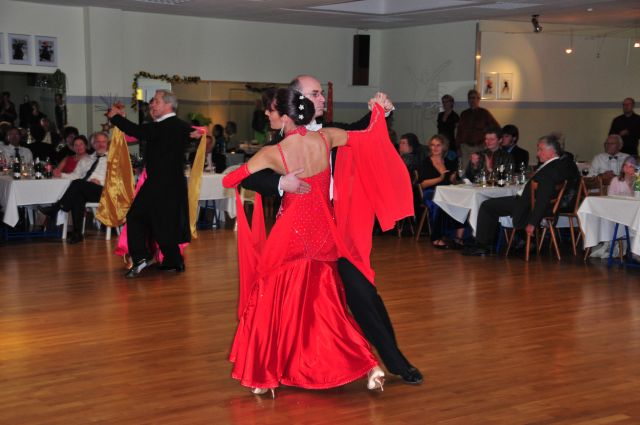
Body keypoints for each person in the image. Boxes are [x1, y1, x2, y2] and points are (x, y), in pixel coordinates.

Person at [223, 88, 408, 395]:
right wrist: (379, 111)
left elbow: (231, 179)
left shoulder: (274, 152)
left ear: (285, 117)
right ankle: (369, 365)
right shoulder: (326, 138)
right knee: (328, 308)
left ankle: (263, 375)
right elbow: (366, 136)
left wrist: (283, 179)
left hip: (291, 235)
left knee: (271, 300)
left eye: (271, 112)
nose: (268, 115)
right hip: (324, 235)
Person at [107, 90, 193, 278]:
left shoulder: (164, 126)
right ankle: (174, 261)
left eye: (156, 101)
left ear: (168, 104)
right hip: (174, 184)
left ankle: (140, 257)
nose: (151, 104)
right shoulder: (181, 126)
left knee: (135, 216)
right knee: (164, 222)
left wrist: (116, 118)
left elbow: (137, 131)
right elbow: (142, 131)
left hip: (159, 184)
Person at [463, 135, 578, 256]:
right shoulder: (559, 165)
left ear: (552, 151)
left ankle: (483, 245)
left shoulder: (549, 170)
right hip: (533, 203)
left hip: (527, 205)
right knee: (493, 203)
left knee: (487, 205)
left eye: (540, 149)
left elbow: (543, 199)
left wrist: (532, 223)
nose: (537, 153)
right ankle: (491, 244)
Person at [39, 132, 109, 244]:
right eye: (97, 142)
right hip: (85, 188)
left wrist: (101, 182)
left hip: (104, 191)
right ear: (93, 145)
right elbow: (75, 175)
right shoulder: (86, 159)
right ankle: (77, 233)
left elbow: (119, 178)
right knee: (77, 196)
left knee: (78, 185)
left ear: (107, 143)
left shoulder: (114, 158)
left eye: (103, 142)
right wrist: (60, 174)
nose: (100, 144)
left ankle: (56, 208)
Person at [418, 135, 464, 249]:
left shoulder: (449, 162)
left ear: (444, 147)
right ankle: (436, 238)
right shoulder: (426, 162)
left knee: (462, 202)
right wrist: (440, 178)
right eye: (432, 145)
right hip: (430, 192)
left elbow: (452, 183)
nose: (435, 148)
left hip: (447, 192)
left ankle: (458, 237)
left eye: (438, 145)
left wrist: (453, 179)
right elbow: (423, 184)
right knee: (439, 202)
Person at [455, 89, 499, 166]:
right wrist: (458, 147)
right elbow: (459, 132)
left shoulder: (484, 113)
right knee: (465, 169)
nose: (472, 100)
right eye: (470, 98)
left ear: (478, 99)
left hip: (480, 147)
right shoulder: (464, 114)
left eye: (474, 97)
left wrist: (488, 141)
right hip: (466, 148)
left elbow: (495, 128)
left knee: (480, 168)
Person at [437, 94, 459, 158]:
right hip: (440, 142)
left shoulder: (455, 116)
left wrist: (458, 146)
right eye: (443, 102)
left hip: (450, 143)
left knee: (450, 161)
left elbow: (458, 132)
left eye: (446, 102)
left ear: (451, 103)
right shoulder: (440, 115)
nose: (444, 104)